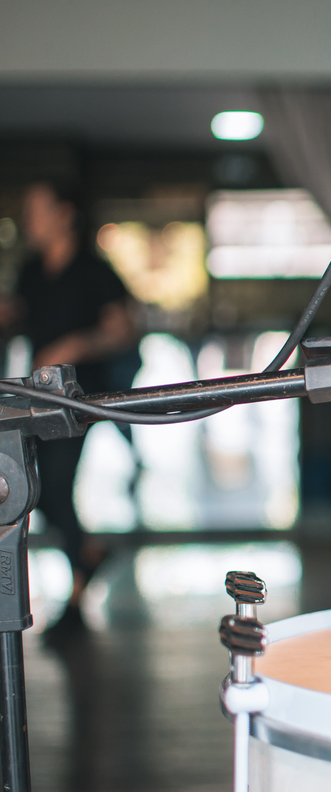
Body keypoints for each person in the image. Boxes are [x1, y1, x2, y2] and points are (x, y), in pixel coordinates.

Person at [0, 181, 139, 636]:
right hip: (39, 398)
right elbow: (17, 313)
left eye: (37, 210)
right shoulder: (32, 272)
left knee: (51, 486)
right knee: (39, 490)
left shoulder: (94, 271)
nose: (29, 220)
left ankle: (78, 593)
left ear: (65, 215)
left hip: (80, 400)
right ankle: (89, 559)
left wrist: (76, 344)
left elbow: (121, 332)